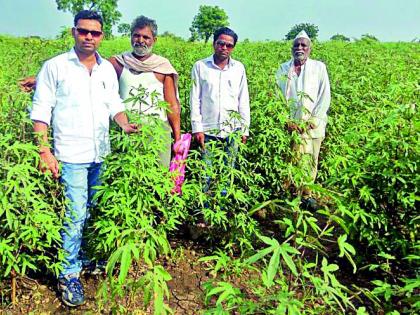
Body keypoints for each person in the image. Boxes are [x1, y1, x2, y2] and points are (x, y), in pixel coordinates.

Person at [30, 10, 137, 307]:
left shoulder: (106, 70)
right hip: (70, 154)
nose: (89, 37)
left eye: (95, 32)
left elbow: (114, 103)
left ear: (103, 36)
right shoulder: (55, 67)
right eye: (83, 31)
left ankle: (84, 258)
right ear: (73, 32)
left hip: (100, 153)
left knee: (93, 211)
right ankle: (68, 273)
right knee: (75, 214)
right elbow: (41, 112)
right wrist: (44, 150)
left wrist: (124, 123)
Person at [109, 15, 181, 167]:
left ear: (154, 40)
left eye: (146, 37)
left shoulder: (163, 66)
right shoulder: (117, 63)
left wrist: (178, 138)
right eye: (136, 35)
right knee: (128, 178)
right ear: (130, 37)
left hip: (158, 132)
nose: (140, 40)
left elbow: (172, 105)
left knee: (159, 178)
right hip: (127, 129)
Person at [190, 27, 250, 196]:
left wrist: (244, 129)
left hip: (233, 131)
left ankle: (222, 206)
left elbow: (243, 100)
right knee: (206, 172)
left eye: (229, 45)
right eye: (221, 43)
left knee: (227, 171)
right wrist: (197, 128)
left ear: (233, 47)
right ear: (214, 43)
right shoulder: (200, 66)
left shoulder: (238, 68)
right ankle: (205, 210)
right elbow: (195, 99)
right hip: (207, 130)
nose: (224, 48)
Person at [276, 30, 331, 207]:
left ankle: (307, 196)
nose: (299, 48)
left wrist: (312, 121)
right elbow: (278, 97)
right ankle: (290, 194)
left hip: (312, 127)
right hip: (290, 126)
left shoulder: (319, 67)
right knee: (290, 160)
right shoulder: (284, 68)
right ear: (292, 48)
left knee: (310, 160)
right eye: (296, 45)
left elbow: (324, 96)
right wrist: (286, 120)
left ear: (309, 48)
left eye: (303, 45)